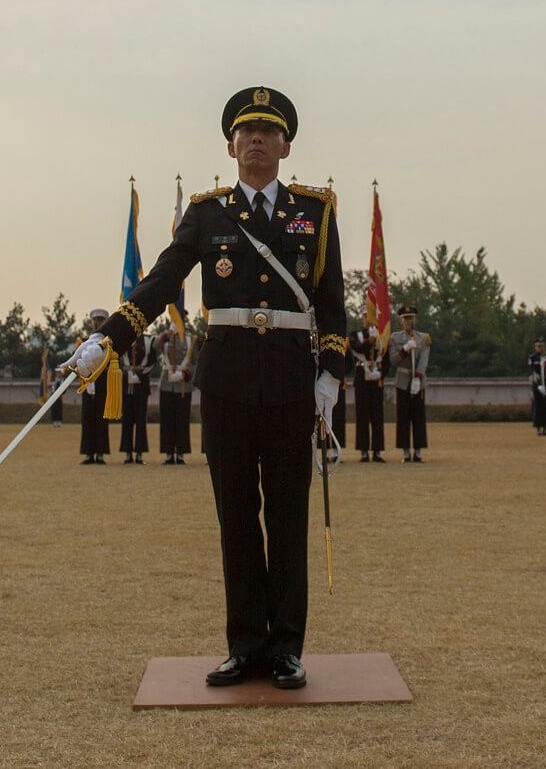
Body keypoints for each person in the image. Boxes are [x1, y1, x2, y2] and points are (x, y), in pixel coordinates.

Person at [58, 86, 344, 692]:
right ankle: (244, 645)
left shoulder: (315, 213)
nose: (257, 140)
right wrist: (106, 340)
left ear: (286, 145)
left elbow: (332, 304)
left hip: (293, 383)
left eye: (268, 131)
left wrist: (330, 378)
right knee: (236, 515)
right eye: (247, 132)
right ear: (231, 144)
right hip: (228, 383)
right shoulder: (207, 213)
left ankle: (287, 648)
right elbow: (161, 282)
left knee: (289, 515)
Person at [390, 307, 430, 463]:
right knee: (403, 417)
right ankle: (406, 451)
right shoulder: (395, 337)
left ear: (415, 320)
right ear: (401, 320)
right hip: (402, 380)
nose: (409, 321)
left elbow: (425, 358)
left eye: (411, 318)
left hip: (417, 381)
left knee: (418, 416)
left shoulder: (423, 338)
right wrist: (405, 349)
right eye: (406, 319)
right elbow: (393, 360)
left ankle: (418, 451)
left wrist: (418, 376)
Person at [349, 316, 386, 461]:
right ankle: (363, 451)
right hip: (362, 378)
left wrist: (381, 374)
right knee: (362, 415)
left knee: (377, 416)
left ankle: (377, 451)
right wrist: (368, 340)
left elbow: (387, 357)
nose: (368, 319)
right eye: (366, 316)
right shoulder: (355, 334)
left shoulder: (382, 335)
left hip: (376, 380)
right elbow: (355, 347)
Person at [77, 311, 112, 464]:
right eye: (95, 320)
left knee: (101, 419)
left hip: (102, 382)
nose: (98, 323)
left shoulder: (109, 342)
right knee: (88, 418)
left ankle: (100, 453)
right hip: (87, 382)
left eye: (101, 320)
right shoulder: (84, 342)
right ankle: (88, 453)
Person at [157, 326, 194, 464]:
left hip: (183, 384)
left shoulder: (190, 338)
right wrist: (165, 337)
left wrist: (186, 373)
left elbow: (195, 360)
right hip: (167, 383)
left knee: (182, 420)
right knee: (167, 420)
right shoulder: (166, 336)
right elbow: (156, 346)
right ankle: (168, 453)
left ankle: (180, 454)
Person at [120, 331, 153, 464]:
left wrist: (140, 372)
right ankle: (127, 452)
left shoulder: (149, 340)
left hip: (142, 382)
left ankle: (139, 452)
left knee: (140, 420)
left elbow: (153, 360)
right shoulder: (124, 337)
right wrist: (127, 370)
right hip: (127, 381)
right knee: (127, 419)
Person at [527, 338, 546, 436]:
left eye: (541, 346)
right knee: (538, 406)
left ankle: (545, 427)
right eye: (538, 346)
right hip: (537, 385)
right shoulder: (532, 357)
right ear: (535, 347)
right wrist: (538, 384)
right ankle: (538, 428)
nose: (540, 348)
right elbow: (532, 371)